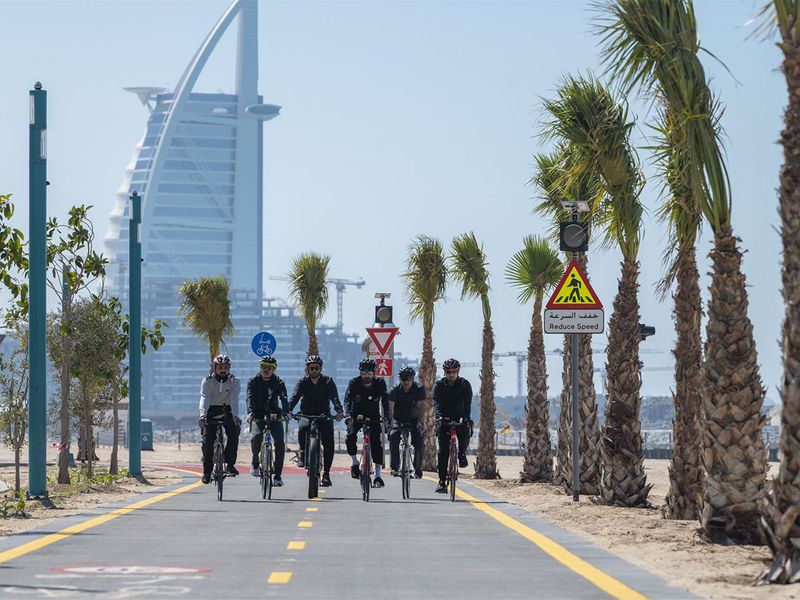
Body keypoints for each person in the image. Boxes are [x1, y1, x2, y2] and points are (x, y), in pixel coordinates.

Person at [288, 355, 344, 487]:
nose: (314, 370)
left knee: (329, 442)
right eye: (311, 368)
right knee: (302, 429)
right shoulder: (302, 382)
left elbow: (335, 399)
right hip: (306, 414)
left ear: (320, 369)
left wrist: (339, 411)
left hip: (324, 415)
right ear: (307, 369)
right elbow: (294, 397)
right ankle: (303, 454)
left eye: (316, 368)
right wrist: (288, 410)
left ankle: (326, 474)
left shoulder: (328, 381)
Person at [344, 358, 390, 488]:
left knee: (376, 443)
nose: (367, 376)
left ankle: (378, 476)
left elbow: (385, 402)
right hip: (356, 415)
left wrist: (386, 417)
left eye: (369, 373)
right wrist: (347, 415)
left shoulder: (380, 383)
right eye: (364, 373)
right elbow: (347, 400)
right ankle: (354, 462)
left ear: (374, 373)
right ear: (360, 373)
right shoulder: (354, 383)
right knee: (350, 436)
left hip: (374, 416)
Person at [199, 354, 242, 484]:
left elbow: (235, 400)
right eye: (220, 367)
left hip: (227, 410)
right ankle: (207, 473)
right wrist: (202, 415)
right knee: (208, 442)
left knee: (233, 433)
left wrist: (235, 416)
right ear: (214, 368)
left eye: (225, 367)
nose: (223, 370)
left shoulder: (234, 381)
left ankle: (229, 464)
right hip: (211, 411)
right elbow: (204, 398)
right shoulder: (207, 381)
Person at [246, 355, 289, 486]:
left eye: (269, 368)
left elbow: (284, 398)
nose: (266, 369)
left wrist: (286, 412)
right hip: (258, 414)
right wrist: (249, 413)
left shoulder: (279, 382)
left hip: (274, 414)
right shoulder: (253, 381)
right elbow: (249, 398)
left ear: (274, 369)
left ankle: (277, 476)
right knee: (256, 437)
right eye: (263, 366)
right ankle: (254, 462)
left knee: (280, 443)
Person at [433, 358, 473, 494]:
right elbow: (436, 403)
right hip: (444, 419)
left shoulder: (464, 385)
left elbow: (468, 403)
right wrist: (438, 417)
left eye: (454, 372)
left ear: (458, 372)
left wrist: (466, 418)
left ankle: (461, 453)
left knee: (465, 431)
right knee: (443, 451)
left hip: (459, 416)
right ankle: (442, 482)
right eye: (448, 372)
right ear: (445, 372)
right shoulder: (439, 385)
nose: (451, 374)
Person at [388, 366, 425, 479]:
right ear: (400, 379)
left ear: (413, 379)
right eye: (403, 379)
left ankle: (417, 469)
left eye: (409, 379)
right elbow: (390, 408)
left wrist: (420, 421)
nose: (406, 382)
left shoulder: (419, 389)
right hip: (398, 419)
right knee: (393, 436)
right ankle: (394, 467)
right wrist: (389, 423)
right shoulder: (394, 390)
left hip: (413, 419)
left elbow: (422, 406)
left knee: (419, 440)